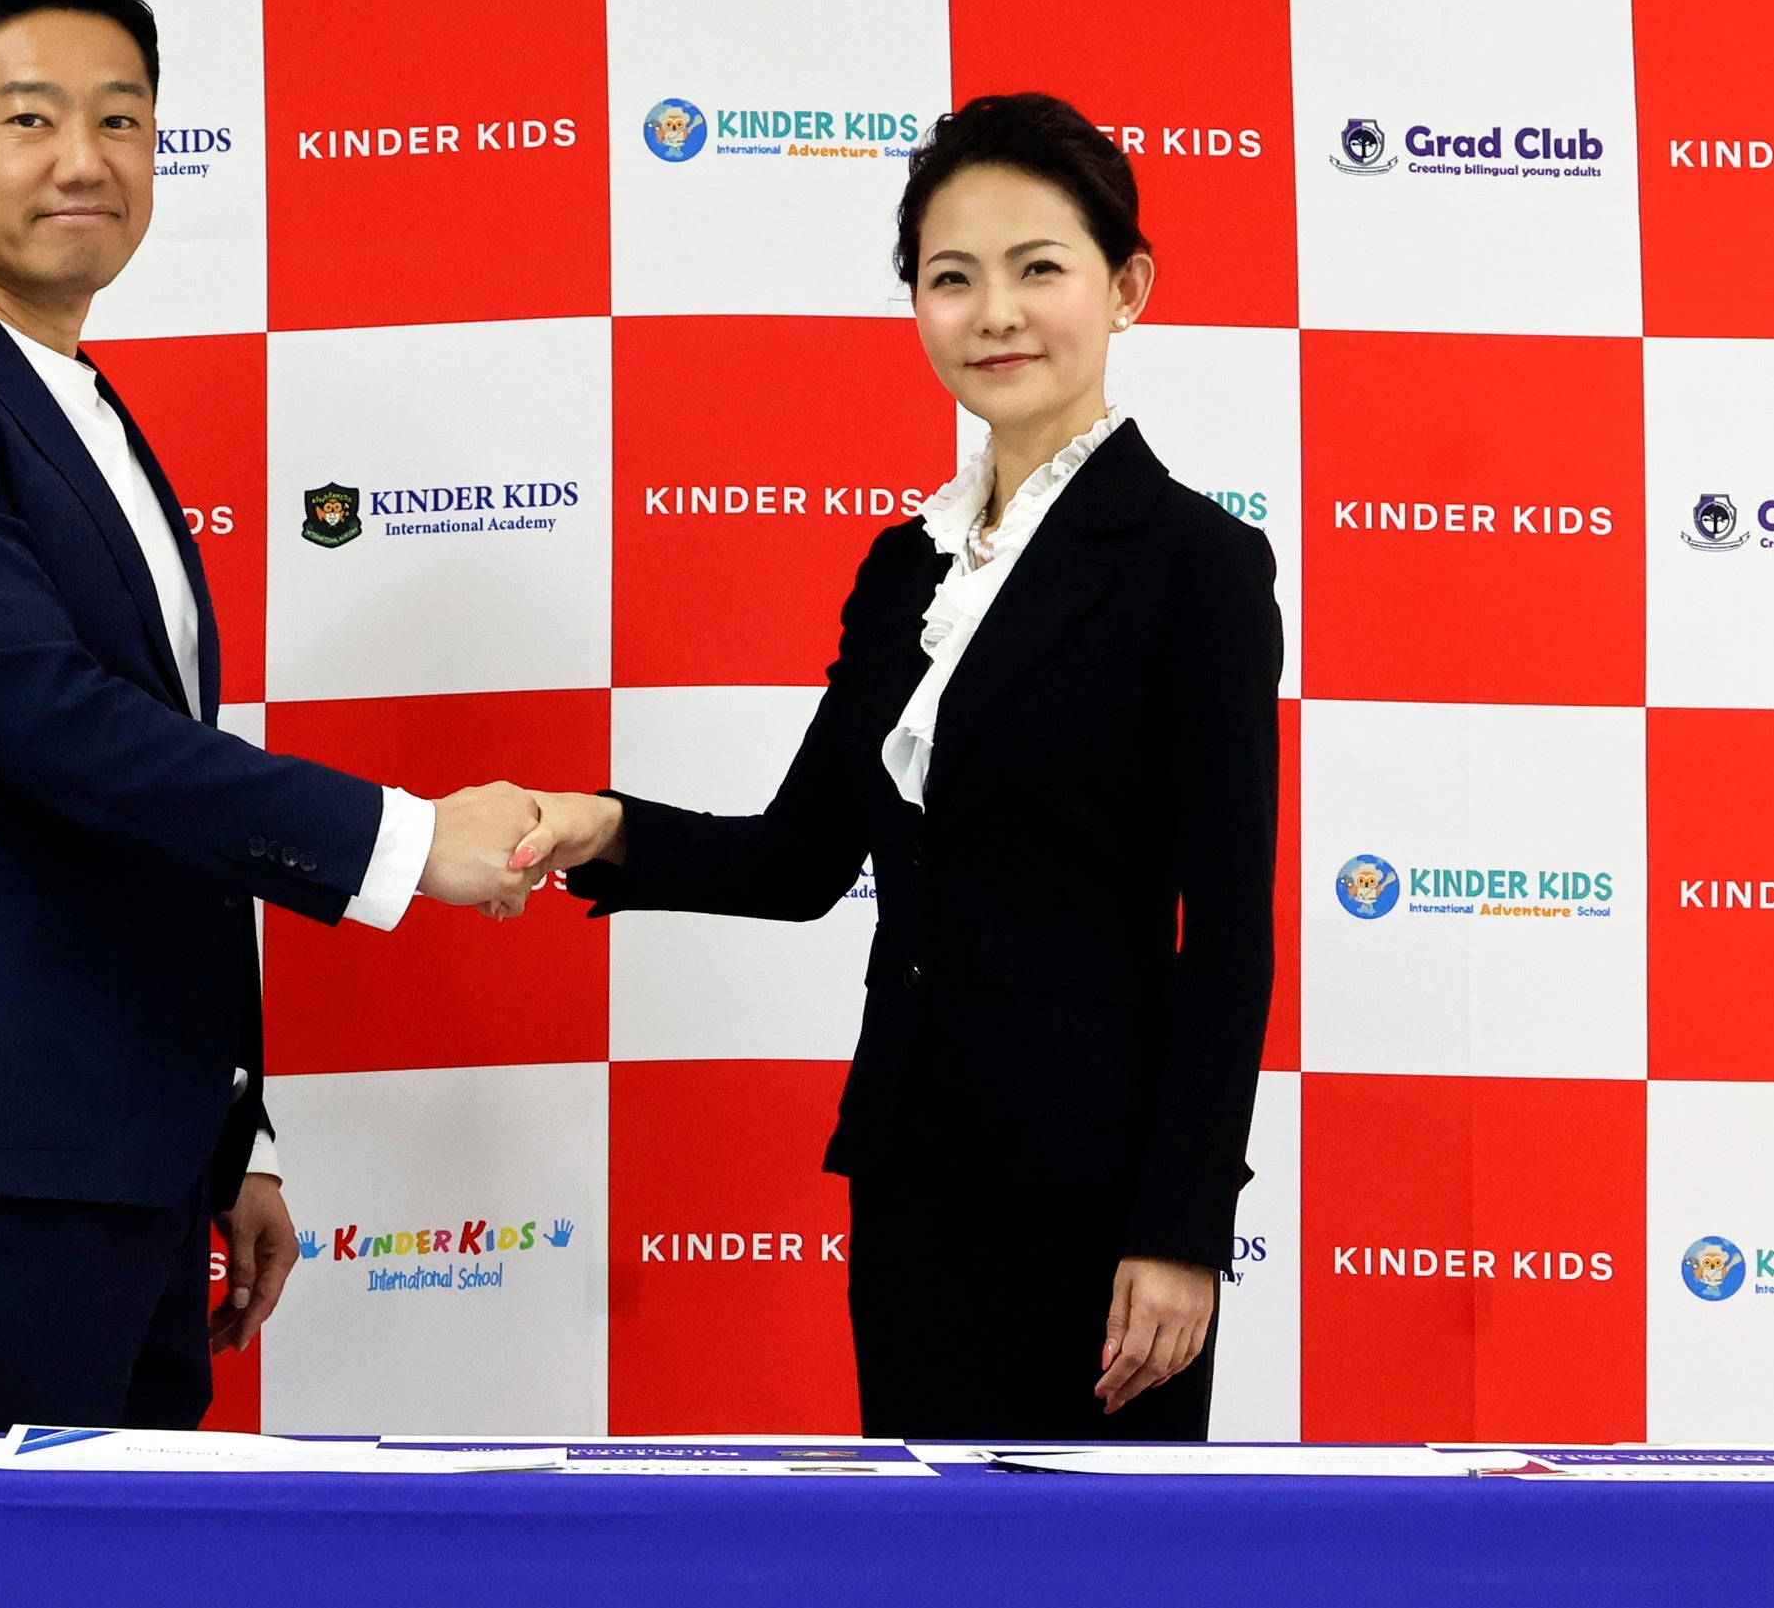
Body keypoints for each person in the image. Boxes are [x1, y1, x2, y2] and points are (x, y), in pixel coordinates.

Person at [0, 0, 545, 1431]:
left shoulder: (74, 401)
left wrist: (234, 1135)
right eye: (30, 117)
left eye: (121, 119)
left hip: (129, 1151)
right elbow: (60, 731)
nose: (85, 158)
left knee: (115, 1579)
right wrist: (406, 840)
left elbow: (149, 808)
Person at [506, 95, 1280, 1439]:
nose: (996, 314)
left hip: (1095, 1195)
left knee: (1085, 1556)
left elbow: (1227, 939)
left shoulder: (1195, 567)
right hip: (912, 1165)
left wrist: (1181, 1227)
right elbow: (799, 859)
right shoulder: (905, 568)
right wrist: (599, 825)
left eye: (1040, 268)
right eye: (952, 277)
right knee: (924, 1550)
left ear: (1127, 288)